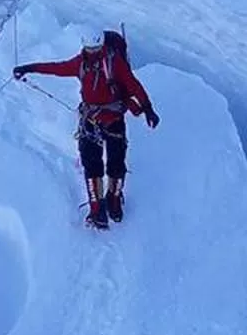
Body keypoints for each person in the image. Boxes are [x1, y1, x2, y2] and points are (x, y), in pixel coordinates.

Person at [13, 30, 159, 228]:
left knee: (93, 165)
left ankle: (97, 207)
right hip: (113, 121)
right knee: (114, 163)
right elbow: (133, 86)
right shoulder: (113, 62)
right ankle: (112, 202)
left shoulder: (83, 63)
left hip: (91, 121)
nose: (91, 52)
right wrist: (147, 108)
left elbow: (57, 68)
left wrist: (28, 68)